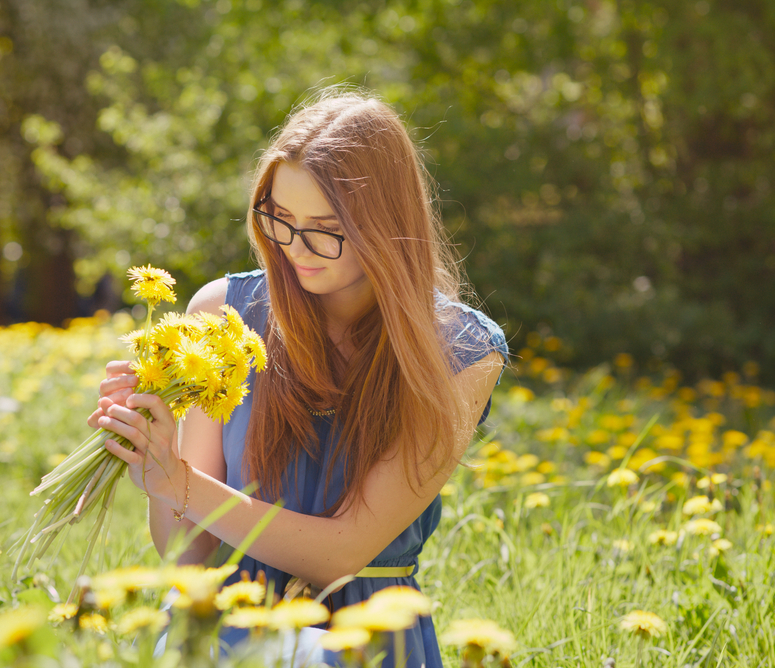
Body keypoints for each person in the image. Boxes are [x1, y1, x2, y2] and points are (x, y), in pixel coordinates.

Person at [88, 88, 508, 668]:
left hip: (363, 636)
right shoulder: (225, 314)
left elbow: (344, 553)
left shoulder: (461, 352)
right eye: (279, 219)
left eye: (323, 229)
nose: (293, 248)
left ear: (385, 227)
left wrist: (179, 480)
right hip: (224, 621)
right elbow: (188, 555)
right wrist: (156, 464)